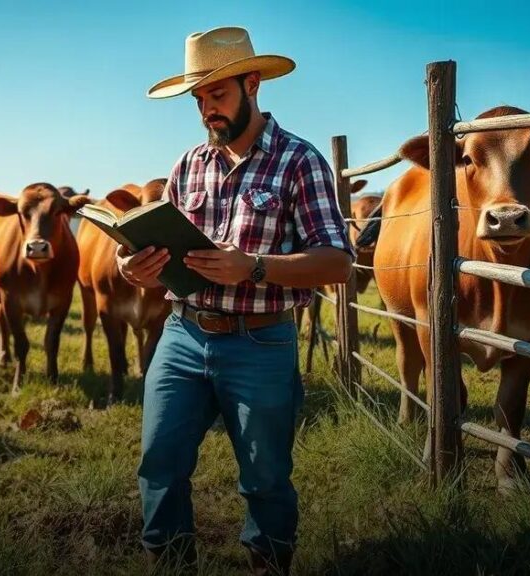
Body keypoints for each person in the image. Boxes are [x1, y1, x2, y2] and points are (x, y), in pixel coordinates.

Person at [118, 26, 354, 575]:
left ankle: (268, 565)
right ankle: (171, 564)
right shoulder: (188, 165)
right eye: (199, 100)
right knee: (159, 463)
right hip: (181, 334)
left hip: (262, 340)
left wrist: (254, 266)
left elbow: (338, 263)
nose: (207, 111)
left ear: (253, 85)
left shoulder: (300, 161)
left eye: (217, 95)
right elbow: (150, 248)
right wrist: (132, 267)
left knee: (265, 475)